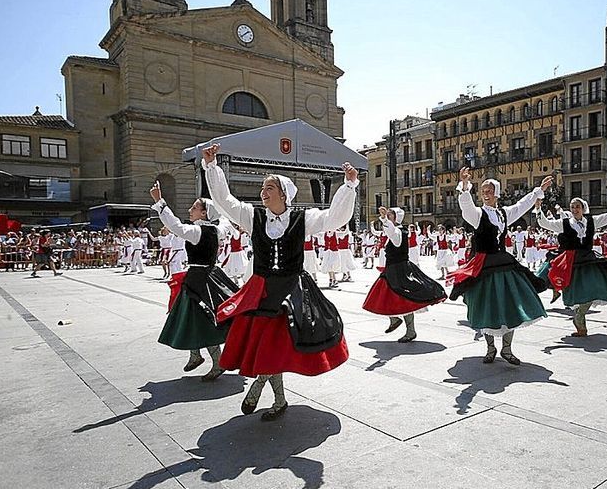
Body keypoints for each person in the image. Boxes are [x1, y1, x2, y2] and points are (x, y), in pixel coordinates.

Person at [202, 144, 356, 420]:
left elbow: (335, 218)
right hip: (261, 291)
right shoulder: (253, 216)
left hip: (291, 292)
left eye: (269, 187)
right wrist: (212, 168)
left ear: (283, 193)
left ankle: (261, 386)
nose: (263, 192)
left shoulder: (303, 218)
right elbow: (225, 201)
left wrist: (348, 187)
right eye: (263, 188)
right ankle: (279, 400)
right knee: (267, 348)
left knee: (278, 347)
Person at [448, 167, 553, 365]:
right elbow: (467, 208)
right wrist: (464, 187)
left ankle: (506, 349)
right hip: (484, 265)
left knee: (510, 303)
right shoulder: (478, 215)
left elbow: (523, 205)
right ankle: (490, 348)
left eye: (489, 191)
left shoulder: (504, 214)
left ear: (496, 193)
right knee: (485, 306)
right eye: (483, 191)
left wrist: (539, 190)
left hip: (504, 263)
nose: (486, 194)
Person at [149, 181, 239, 381]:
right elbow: (224, 219)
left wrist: (160, 202)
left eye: (194, 207)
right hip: (210, 277)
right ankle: (196, 355)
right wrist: (220, 200)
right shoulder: (217, 230)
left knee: (201, 320)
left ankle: (216, 362)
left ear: (204, 213)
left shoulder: (197, 232)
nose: (190, 210)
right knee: (191, 316)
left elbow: (174, 226)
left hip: (200, 281)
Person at [538, 186, 607, 336]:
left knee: (593, 289)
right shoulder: (564, 223)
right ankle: (580, 322)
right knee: (574, 290)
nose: (575, 209)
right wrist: (538, 209)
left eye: (577, 207)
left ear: (583, 208)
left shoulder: (592, 221)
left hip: (588, 259)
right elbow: (545, 224)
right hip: (571, 261)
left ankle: (580, 315)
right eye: (572, 207)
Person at [363, 207, 447, 342]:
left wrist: (384, 220)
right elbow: (390, 232)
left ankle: (409, 330)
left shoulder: (399, 231)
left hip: (399, 270)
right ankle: (395, 319)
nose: (388, 215)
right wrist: (384, 220)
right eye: (388, 214)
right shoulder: (396, 230)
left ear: (397, 217)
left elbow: (394, 237)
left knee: (404, 298)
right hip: (392, 269)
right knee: (384, 294)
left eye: (391, 214)